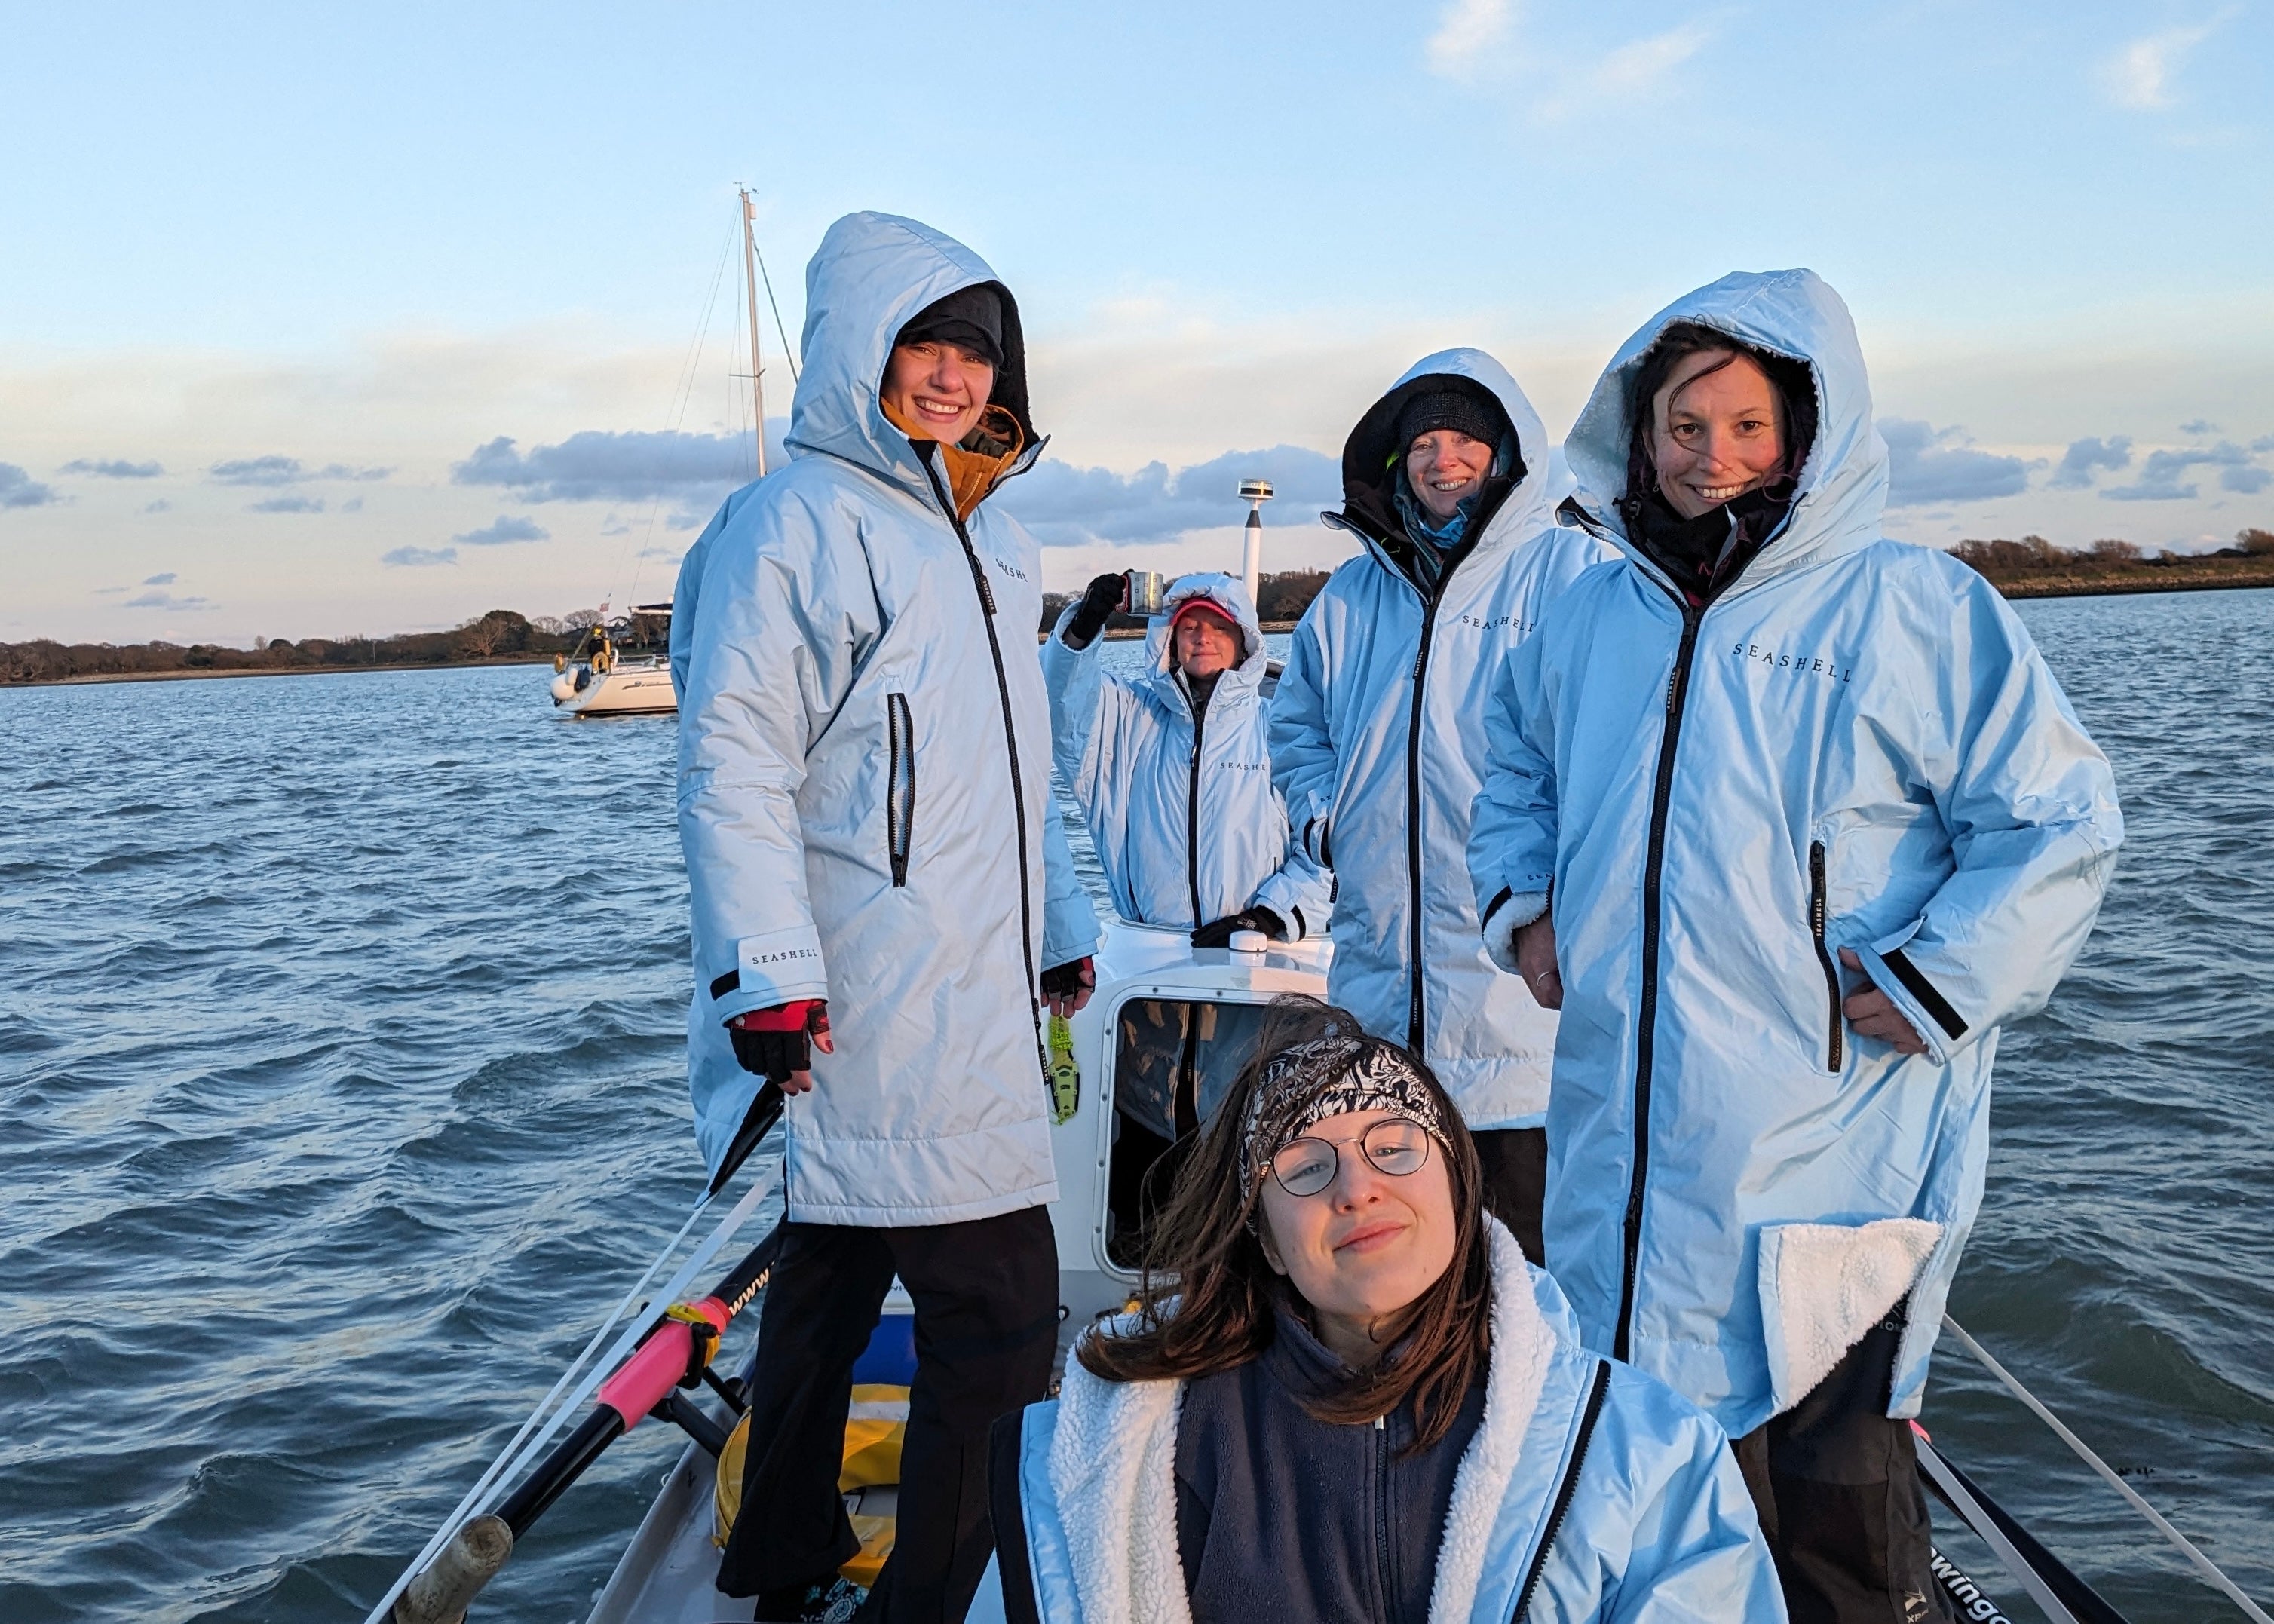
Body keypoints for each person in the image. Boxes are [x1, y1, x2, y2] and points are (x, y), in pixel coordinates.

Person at [1466, 268, 2123, 1622]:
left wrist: (1941, 974)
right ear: (1637, 436)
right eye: (1685, 425)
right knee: (1646, 1512)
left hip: (1833, 1160)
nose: (1714, 457)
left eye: (1749, 425)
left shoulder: (1915, 608)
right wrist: (1522, 903)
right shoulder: (1589, 612)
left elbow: (2059, 818)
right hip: (1621, 1159)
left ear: (1808, 433)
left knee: (1836, 1529)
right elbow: (1511, 760)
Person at [676, 210, 1102, 1624]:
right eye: (923, 345)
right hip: (865, 988)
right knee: (998, 1315)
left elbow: (1013, 770)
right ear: (863, 354)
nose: (949, 377)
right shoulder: (796, 522)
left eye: (975, 354)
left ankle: (780, 1548)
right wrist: (767, 975)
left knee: (831, 1267)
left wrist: (1058, 921)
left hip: (968, 982)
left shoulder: (996, 541)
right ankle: (925, 1601)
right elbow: (734, 749)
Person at [985, 997, 1786, 1624]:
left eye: (1394, 1145)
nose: (1356, 1187)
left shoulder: (1648, 1455)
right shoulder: (1119, 1446)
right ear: (1262, 1237)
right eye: (1303, 1166)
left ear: (1456, 1185)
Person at [1270, 351, 1614, 1261]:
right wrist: (1324, 822)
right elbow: (1296, 726)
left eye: (1464, 436)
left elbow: (1617, 747)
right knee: (1403, 1265)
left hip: (1520, 1017)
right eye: (1423, 441)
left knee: (1529, 1279)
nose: (1442, 458)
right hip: (1380, 1006)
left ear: (1506, 453)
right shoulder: (1350, 597)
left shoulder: (1570, 574)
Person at [1043, 570, 1329, 949]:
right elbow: (1060, 701)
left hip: (1261, 958)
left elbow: (1328, 845)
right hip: (1150, 959)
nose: (1202, 637)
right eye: (1189, 626)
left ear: (1245, 642)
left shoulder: (1280, 728)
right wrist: (1084, 625)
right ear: (1170, 641)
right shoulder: (1127, 720)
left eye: (1220, 627)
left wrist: (1267, 916)